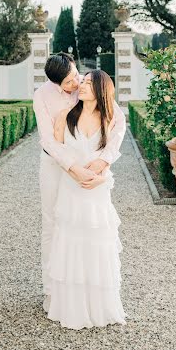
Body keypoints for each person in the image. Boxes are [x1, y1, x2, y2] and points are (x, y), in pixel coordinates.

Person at [33, 52, 126, 313]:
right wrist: (72, 168)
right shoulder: (42, 96)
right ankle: (53, 290)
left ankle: (87, 287)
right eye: (68, 83)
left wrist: (104, 163)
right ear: (55, 83)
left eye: (75, 77)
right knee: (53, 224)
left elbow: (117, 122)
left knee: (89, 224)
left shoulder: (86, 83)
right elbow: (48, 141)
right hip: (54, 164)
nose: (74, 84)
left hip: (90, 163)